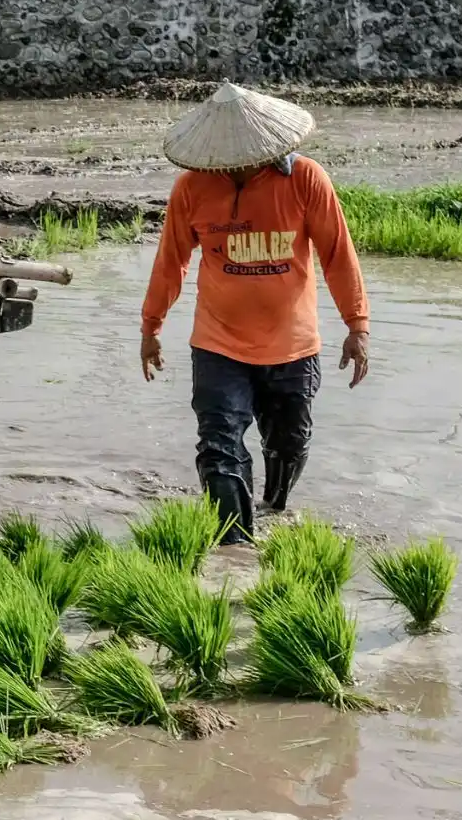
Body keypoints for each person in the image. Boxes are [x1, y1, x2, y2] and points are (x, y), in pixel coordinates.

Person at [139, 82, 371, 546]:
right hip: (218, 344)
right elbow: (171, 262)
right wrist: (151, 326)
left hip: (293, 345)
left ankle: (275, 505)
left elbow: (337, 256)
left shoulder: (306, 180)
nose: (237, 163)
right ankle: (235, 548)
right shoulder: (192, 188)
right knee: (219, 444)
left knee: (289, 443)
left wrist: (357, 325)